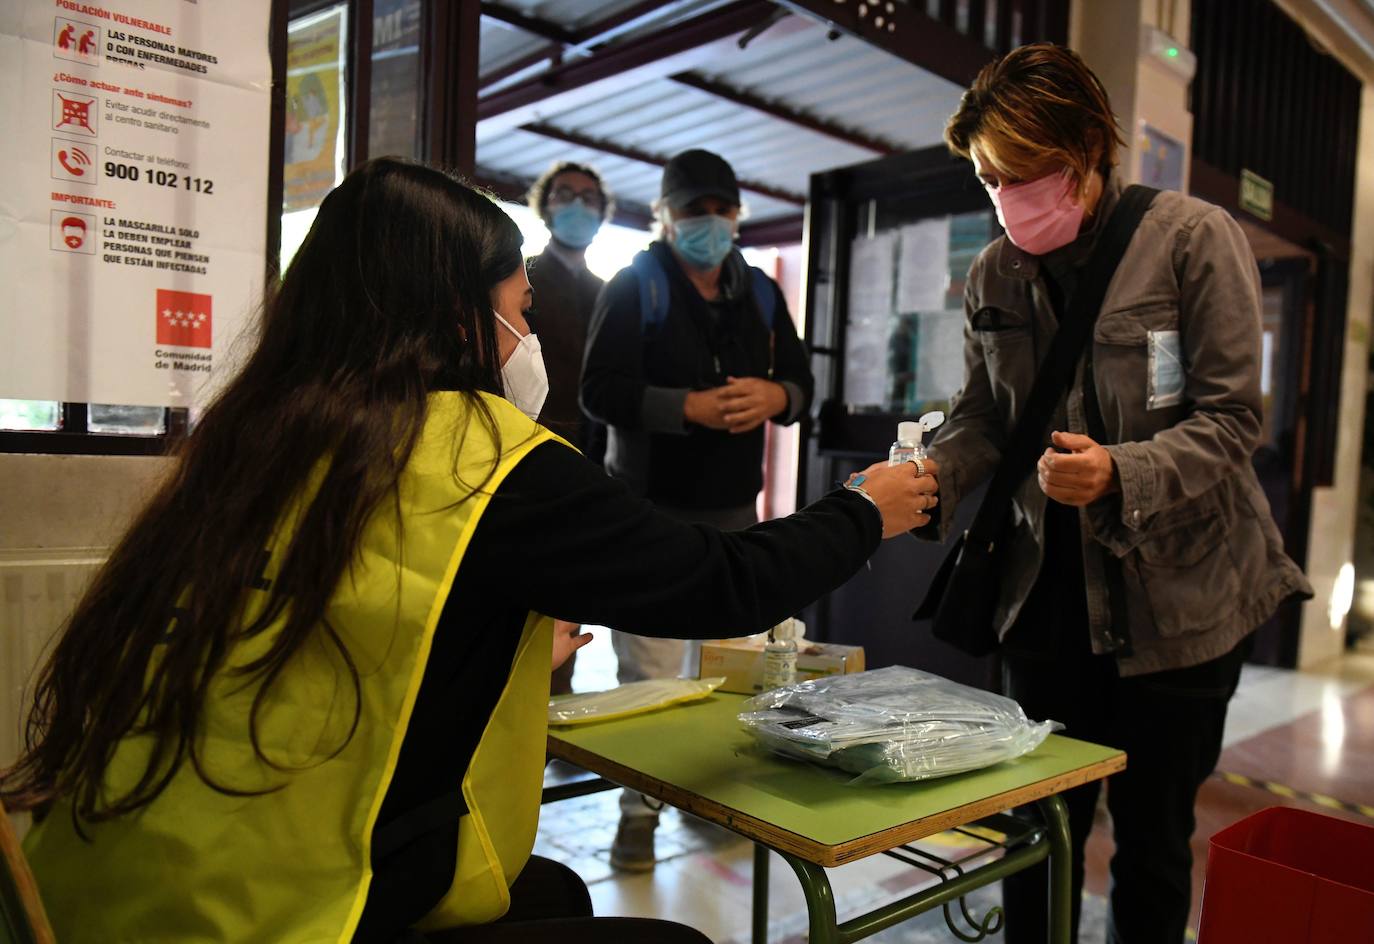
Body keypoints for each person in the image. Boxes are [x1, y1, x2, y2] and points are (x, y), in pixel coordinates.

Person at [0, 157, 938, 944]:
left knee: (553, 896)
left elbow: (341, 615)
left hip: (112, 882)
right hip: (291, 912)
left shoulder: (266, 430)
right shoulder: (479, 454)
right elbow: (720, 583)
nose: (527, 338)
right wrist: (864, 509)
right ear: (457, 317)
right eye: (520, 310)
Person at [921, 44, 1312, 943]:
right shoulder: (994, 274)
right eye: (988, 178)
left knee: (1152, 845)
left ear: (1090, 150)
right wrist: (929, 473)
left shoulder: (1189, 238)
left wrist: (1120, 471)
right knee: (1037, 830)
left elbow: (1230, 421)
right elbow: (985, 420)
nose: (1008, 197)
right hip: (1045, 606)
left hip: (1178, 606)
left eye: (1026, 174)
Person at [580, 148, 814, 872]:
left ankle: (715, 805)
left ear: (737, 215)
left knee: (730, 674)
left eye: (720, 210)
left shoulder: (762, 296)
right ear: (665, 216)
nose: (708, 223)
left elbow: (802, 384)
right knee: (646, 680)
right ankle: (636, 816)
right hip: (647, 512)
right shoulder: (635, 285)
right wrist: (685, 407)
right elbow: (598, 391)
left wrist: (777, 398)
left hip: (735, 513)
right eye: (692, 212)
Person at [525, 161, 612, 696]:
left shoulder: (610, 289)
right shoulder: (524, 277)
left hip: (597, 463)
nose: (577, 206)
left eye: (589, 198)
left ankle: (558, 718)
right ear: (545, 203)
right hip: (533, 454)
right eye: (565, 194)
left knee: (574, 597)